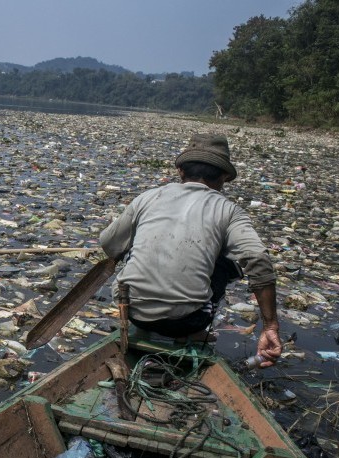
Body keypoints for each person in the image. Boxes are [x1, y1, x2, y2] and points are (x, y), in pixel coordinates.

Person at [99, 133, 281, 367]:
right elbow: (257, 258)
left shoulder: (149, 197)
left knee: (131, 247)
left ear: (180, 171)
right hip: (187, 321)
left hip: (132, 310)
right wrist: (270, 326)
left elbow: (109, 244)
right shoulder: (229, 210)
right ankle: (193, 331)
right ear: (224, 176)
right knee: (229, 264)